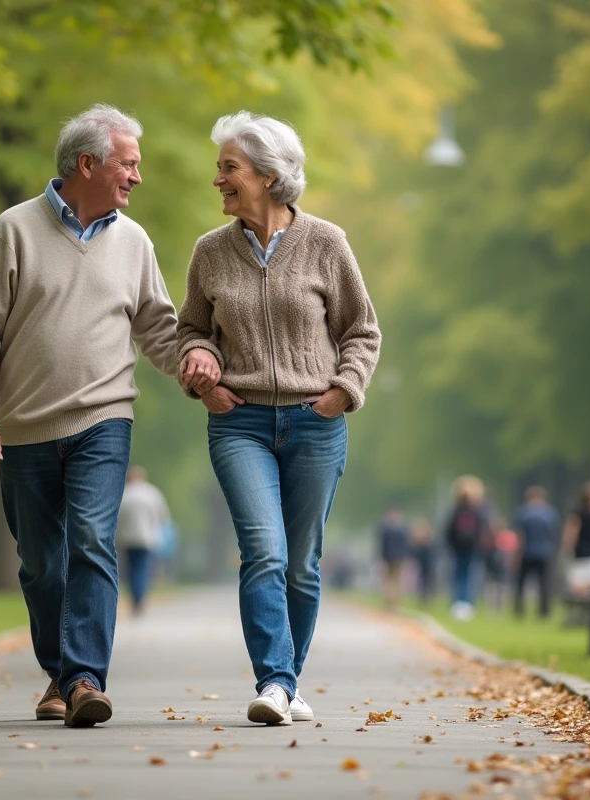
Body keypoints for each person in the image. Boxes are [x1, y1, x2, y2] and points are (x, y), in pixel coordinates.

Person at [0, 105, 219, 728]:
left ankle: (83, 680)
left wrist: (198, 364)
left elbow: (158, 326)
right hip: (22, 426)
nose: (137, 177)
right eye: (129, 164)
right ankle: (60, 674)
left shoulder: (134, 241)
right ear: (88, 163)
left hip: (105, 418)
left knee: (94, 542)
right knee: (41, 560)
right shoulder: (13, 230)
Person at [176, 111, 381, 725]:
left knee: (301, 562)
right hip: (239, 424)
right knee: (264, 551)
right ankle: (274, 683)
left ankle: (286, 683)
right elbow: (191, 329)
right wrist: (201, 367)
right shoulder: (209, 253)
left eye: (229, 168)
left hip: (316, 423)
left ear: (268, 175)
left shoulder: (327, 243)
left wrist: (343, 392)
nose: (218, 179)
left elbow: (361, 331)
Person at [115, 465, 171, 616]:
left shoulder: (124, 494)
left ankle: (135, 599)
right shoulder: (152, 493)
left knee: (131, 569)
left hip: (127, 539)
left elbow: (117, 518)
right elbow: (162, 517)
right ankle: (140, 599)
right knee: (143, 568)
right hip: (147, 538)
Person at [444, 475, 489, 621]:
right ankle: (467, 604)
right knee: (470, 575)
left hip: (458, 547)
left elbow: (448, 530)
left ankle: (458, 602)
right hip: (472, 548)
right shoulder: (478, 511)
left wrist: (450, 545)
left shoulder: (456, 510)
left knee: (459, 574)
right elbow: (482, 530)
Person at [511, 486, 560, 618]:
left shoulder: (523, 513)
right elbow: (553, 534)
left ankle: (519, 610)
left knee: (521, 582)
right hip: (544, 552)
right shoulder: (550, 513)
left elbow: (518, 535)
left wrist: (515, 555)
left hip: (526, 552)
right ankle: (544, 611)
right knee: (544, 583)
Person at [377, 507, 411, 611]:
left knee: (394, 580)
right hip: (391, 559)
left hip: (395, 559)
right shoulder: (399, 530)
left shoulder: (387, 530)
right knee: (391, 580)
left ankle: (393, 603)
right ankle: (391, 602)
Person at [410, 516, 436, 605]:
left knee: (427, 579)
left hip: (427, 562)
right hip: (422, 562)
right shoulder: (419, 540)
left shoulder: (428, 539)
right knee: (422, 579)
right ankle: (423, 596)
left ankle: (426, 596)